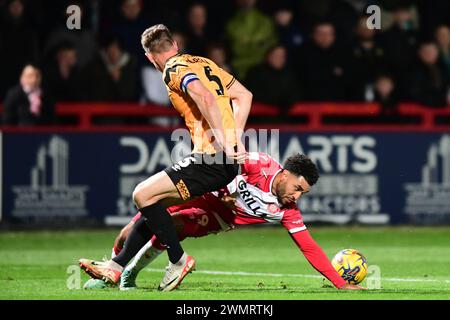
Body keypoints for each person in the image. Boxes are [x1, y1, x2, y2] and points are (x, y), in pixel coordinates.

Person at [79, 24, 252, 292]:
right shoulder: (204, 62)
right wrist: (234, 137)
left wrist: (225, 141)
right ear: (175, 44)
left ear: (149, 56)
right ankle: (116, 266)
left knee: (142, 194)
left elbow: (204, 96)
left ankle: (178, 260)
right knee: (153, 205)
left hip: (211, 157)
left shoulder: (173, 68)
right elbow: (244, 95)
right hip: (221, 160)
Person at [83, 153, 364, 291]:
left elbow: (309, 247)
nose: (297, 196)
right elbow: (225, 163)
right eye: (298, 188)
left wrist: (341, 284)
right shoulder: (260, 163)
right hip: (201, 192)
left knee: (174, 227)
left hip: (215, 217)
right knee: (129, 231)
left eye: (303, 193)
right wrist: (228, 190)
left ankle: (128, 274)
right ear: (286, 174)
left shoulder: (287, 212)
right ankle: (112, 271)